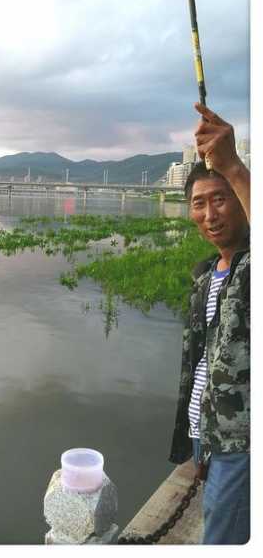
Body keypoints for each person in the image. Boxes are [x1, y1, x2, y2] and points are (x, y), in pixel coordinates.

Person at [169, 103, 250, 544]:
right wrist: (195, 438)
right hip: (209, 432)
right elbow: (202, 363)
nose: (209, 214)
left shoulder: (250, 269)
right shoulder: (205, 275)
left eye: (220, 199)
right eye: (199, 204)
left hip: (244, 441)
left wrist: (233, 165)